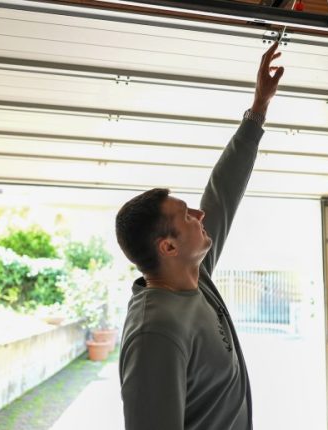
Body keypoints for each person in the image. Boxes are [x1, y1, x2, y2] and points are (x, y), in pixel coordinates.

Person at [114, 43, 284, 430]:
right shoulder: (155, 332)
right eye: (185, 215)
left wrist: (259, 107)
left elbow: (222, 190)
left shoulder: (195, 279)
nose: (200, 213)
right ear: (168, 246)